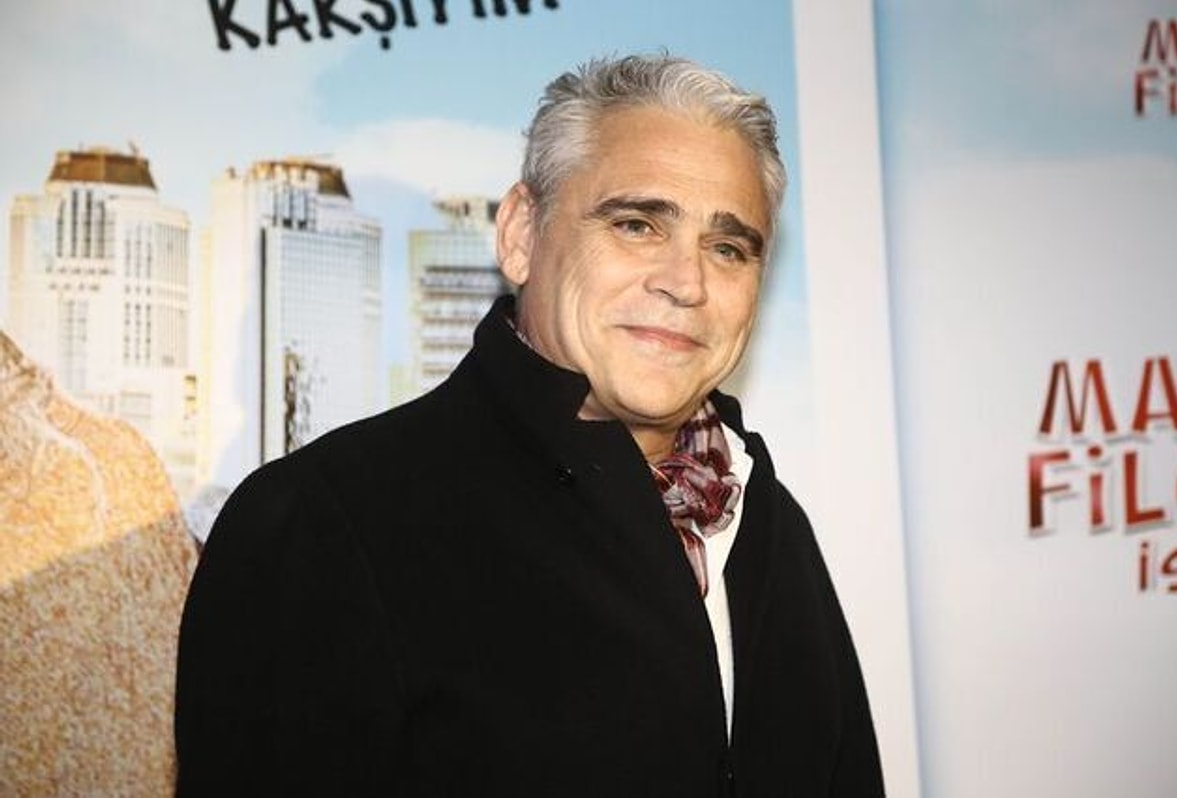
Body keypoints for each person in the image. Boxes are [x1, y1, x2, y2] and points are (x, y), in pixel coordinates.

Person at [175, 54, 884, 796]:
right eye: (638, 225)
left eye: (728, 248)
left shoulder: (766, 516)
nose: (688, 283)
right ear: (519, 233)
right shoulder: (319, 521)